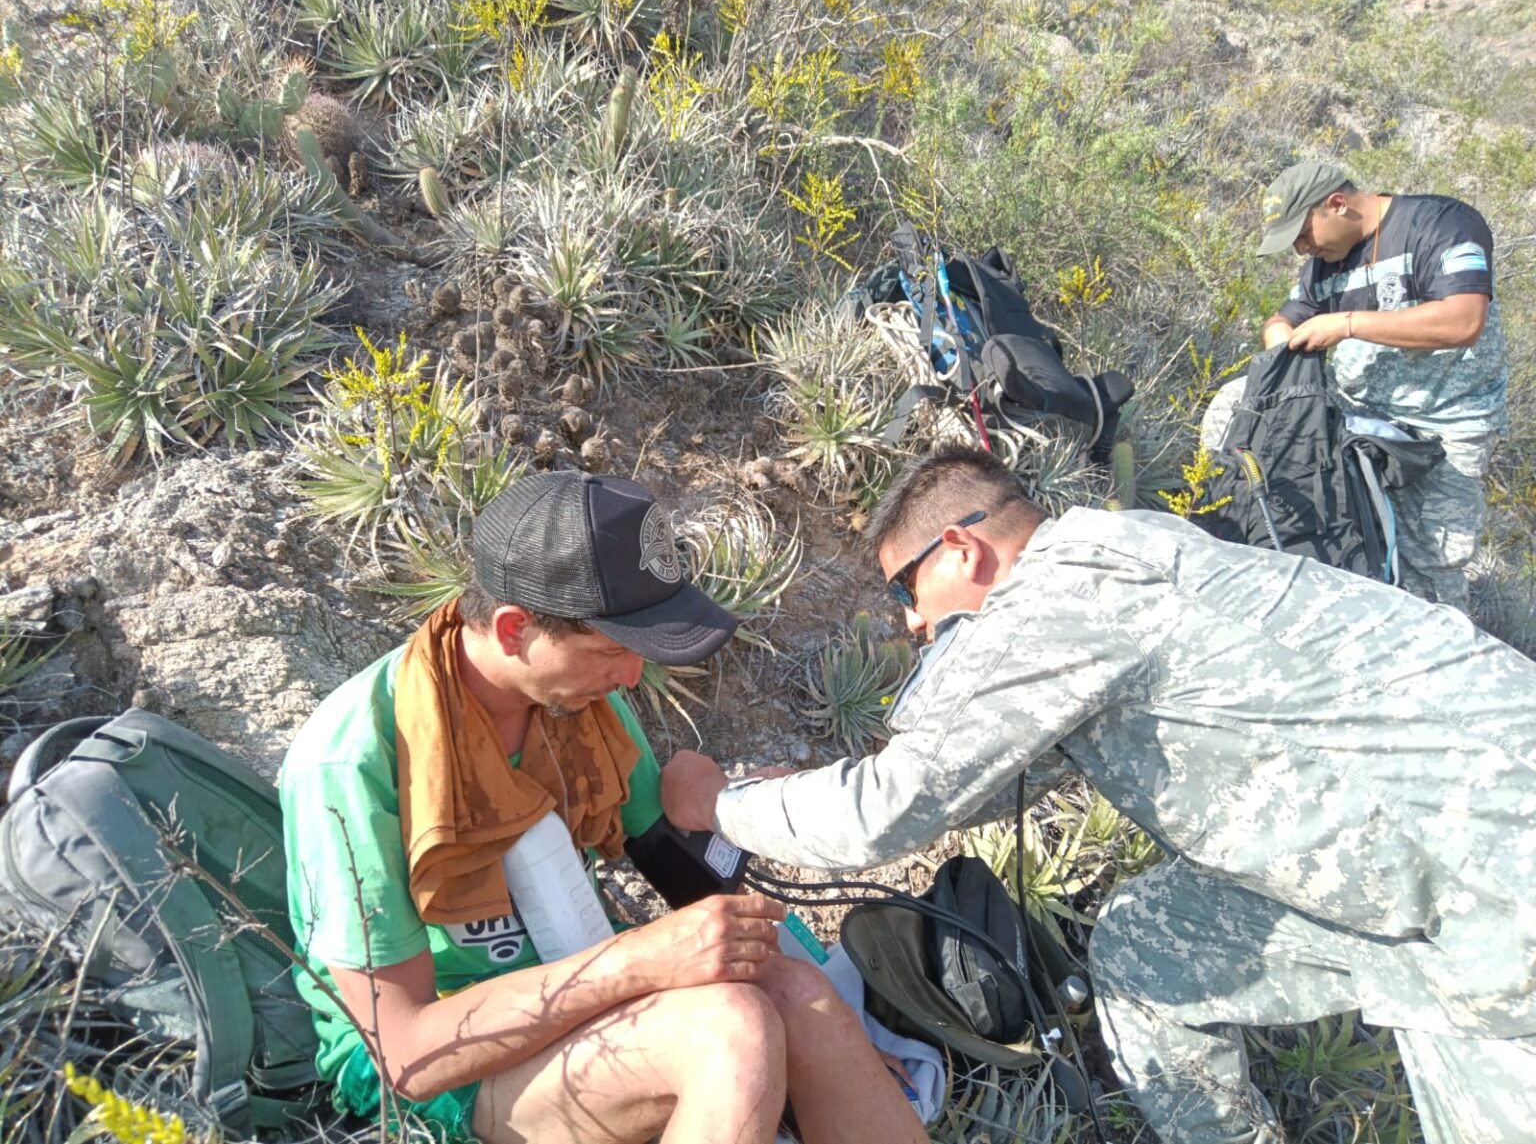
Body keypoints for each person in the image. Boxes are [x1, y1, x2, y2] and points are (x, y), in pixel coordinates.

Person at [663, 444, 1536, 1144]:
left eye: (908, 589)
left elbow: (887, 810)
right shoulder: (1127, 551)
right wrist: (797, 788)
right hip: (1407, 840)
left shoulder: (1057, 601)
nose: (912, 623)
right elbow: (984, 775)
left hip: (1488, 877)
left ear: (963, 548)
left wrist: (717, 805)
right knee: (1145, 949)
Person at [280, 470, 926, 1144]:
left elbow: (679, 864)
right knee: (732, 1033)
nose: (631, 677)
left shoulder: (580, 706)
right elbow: (405, 1052)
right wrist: (638, 960)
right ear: (512, 629)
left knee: (797, 996)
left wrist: (830, 1043)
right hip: (445, 1072)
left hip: (566, 989)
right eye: (613, 649)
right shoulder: (353, 764)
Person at [1208, 160, 1509, 612]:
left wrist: (1348, 324)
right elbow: (1285, 318)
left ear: (1336, 204)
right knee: (1234, 402)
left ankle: (1433, 657)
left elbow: (1462, 320)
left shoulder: (1441, 224)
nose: (1300, 249)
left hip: (1445, 425)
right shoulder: (1324, 263)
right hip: (1357, 414)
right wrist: (1281, 340)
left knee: (1429, 562)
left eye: (1302, 234)